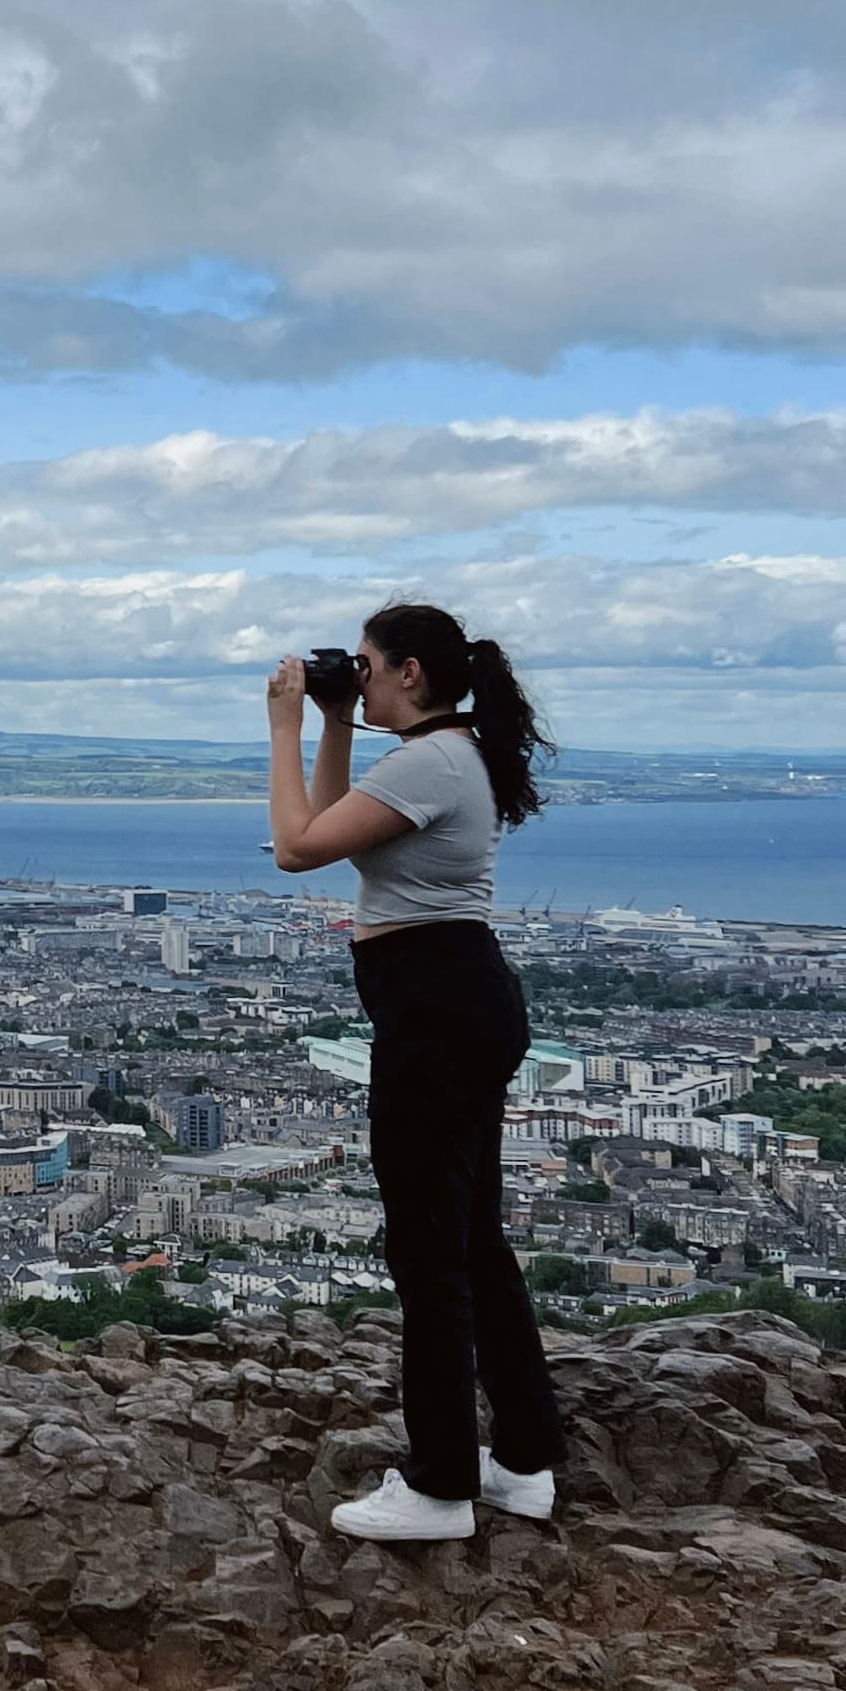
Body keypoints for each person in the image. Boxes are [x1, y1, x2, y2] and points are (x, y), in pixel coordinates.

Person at [266, 602, 563, 1547]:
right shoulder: (444, 752)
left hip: (435, 1014)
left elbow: (296, 846)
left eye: (364, 666)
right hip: (455, 1003)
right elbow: (332, 830)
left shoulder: (430, 762)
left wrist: (281, 727)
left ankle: (438, 1485)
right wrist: (335, 723)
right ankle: (522, 1461)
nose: (353, 676)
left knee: (428, 1255)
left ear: (411, 673)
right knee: (473, 1244)